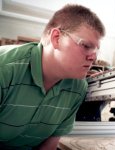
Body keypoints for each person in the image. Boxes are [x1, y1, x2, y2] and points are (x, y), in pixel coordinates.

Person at [0, 4, 105, 150]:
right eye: (86, 46)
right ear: (56, 38)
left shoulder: (78, 88)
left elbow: (49, 145)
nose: (93, 58)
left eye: (96, 50)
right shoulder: (4, 68)